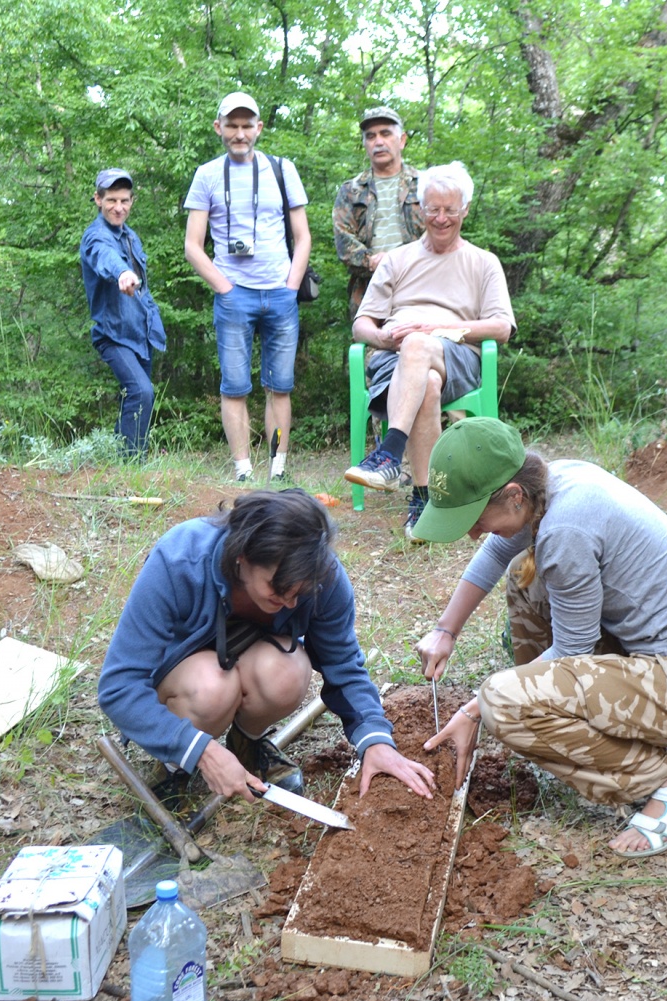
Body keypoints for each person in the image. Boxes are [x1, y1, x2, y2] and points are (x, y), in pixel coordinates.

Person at [412, 418, 667, 858]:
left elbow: (572, 651)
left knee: (500, 700)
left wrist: (478, 710)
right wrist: (445, 630)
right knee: (524, 574)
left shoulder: (567, 531)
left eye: (475, 519)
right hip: (663, 659)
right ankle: (558, 722)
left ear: (514, 494)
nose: (474, 532)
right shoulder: (553, 479)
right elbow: (499, 547)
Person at [98, 488, 436, 802]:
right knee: (211, 687)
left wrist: (375, 739)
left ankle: (248, 744)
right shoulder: (180, 560)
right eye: (277, 588)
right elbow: (119, 686)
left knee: (288, 670)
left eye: (298, 593)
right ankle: (175, 764)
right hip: (183, 681)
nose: (290, 602)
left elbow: (344, 667)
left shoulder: (322, 579)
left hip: (247, 663)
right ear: (242, 557)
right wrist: (201, 750)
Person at [345, 162, 514, 540]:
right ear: (420, 210)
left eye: (450, 210)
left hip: (458, 355)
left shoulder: (484, 263)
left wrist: (433, 329)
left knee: (420, 344)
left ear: (465, 209)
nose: (441, 218)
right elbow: (361, 325)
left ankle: (389, 452)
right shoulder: (396, 260)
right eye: (433, 209)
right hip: (396, 359)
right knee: (428, 384)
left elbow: (501, 327)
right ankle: (426, 502)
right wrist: (387, 339)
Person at [183, 91, 312, 482]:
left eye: (246, 126)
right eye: (232, 126)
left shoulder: (282, 169)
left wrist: (291, 286)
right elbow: (193, 244)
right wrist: (224, 287)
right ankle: (242, 470)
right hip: (234, 295)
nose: (240, 134)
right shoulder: (207, 174)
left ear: (258, 128)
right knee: (235, 386)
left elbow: (303, 236)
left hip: (280, 294)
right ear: (219, 128)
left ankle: (277, 468)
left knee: (280, 386)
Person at [79, 167, 169, 459]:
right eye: (111, 200)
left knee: (139, 399)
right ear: (97, 199)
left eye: (125, 201)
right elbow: (105, 257)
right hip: (113, 335)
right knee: (142, 392)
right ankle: (131, 464)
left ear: (132, 201)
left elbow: (143, 291)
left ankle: (124, 461)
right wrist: (122, 273)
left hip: (139, 334)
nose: (118, 208)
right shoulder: (95, 237)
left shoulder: (131, 237)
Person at [333, 106, 424, 320]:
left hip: (422, 286)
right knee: (372, 351)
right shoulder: (351, 190)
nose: (379, 142)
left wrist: (401, 261)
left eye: (386, 133)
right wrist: (372, 261)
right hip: (369, 290)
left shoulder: (425, 185)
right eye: (371, 136)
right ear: (364, 144)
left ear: (401, 140)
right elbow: (344, 242)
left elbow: (441, 230)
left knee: (421, 347)